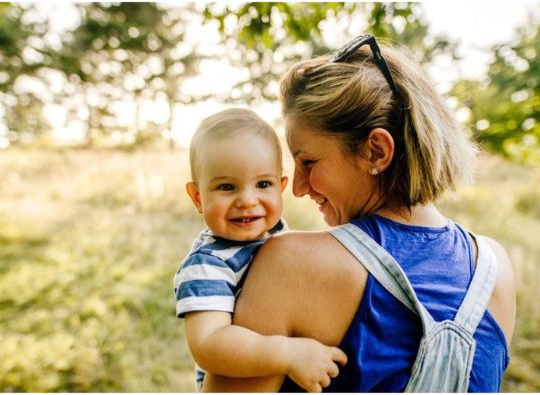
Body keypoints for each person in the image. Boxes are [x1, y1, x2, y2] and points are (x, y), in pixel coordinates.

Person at [203, 36, 516, 392]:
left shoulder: (290, 264)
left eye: (308, 162)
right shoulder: (495, 268)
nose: (298, 187)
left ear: (376, 151)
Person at [173, 108, 348, 392]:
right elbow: (208, 344)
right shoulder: (209, 264)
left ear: (281, 187)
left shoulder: (278, 235)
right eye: (227, 187)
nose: (247, 200)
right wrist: (288, 354)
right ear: (197, 197)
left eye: (263, 184)